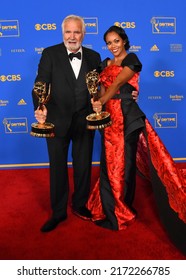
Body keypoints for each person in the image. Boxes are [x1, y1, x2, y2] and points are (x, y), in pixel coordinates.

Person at [87, 26, 186, 253]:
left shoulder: (132, 59)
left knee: (124, 163)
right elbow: (100, 86)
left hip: (126, 117)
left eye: (116, 41)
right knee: (109, 162)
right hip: (107, 119)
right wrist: (97, 101)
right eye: (109, 42)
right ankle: (108, 204)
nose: (113, 46)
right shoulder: (104, 63)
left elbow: (116, 84)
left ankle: (120, 208)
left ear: (124, 41)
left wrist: (101, 100)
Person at [32, 15, 101, 232]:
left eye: (77, 32)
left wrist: (129, 94)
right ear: (62, 33)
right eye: (68, 32)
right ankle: (58, 211)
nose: (72, 36)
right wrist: (39, 106)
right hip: (56, 119)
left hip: (84, 119)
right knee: (58, 167)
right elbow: (40, 84)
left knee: (83, 165)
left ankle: (80, 204)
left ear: (84, 34)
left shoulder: (94, 56)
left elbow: (101, 88)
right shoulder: (50, 54)